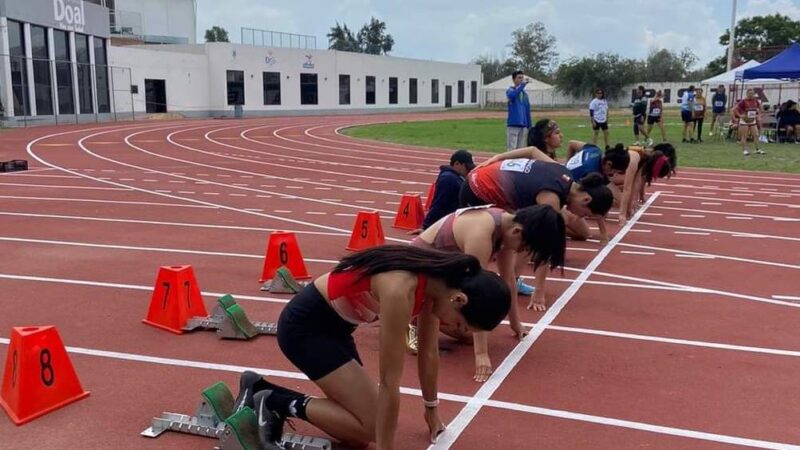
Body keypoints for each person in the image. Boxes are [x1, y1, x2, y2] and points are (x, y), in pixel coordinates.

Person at [235, 245, 511, 450]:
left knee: (359, 432)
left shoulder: (438, 289)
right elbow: (390, 381)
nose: (455, 331)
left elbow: (428, 353)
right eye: (462, 326)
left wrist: (431, 409)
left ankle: (261, 391)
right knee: (374, 428)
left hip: (338, 330)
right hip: (305, 329)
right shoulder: (400, 289)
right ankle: (271, 400)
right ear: (459, 300)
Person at [411, 204, 565, 382]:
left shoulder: (507, 226)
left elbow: (509, 280)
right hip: (421, 274)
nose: (520, 252)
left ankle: (426, 317)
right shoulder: (481, 234)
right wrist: (481, 355)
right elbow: (477, 291)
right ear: (517, 232)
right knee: (469, 326)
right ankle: (414, 319)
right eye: (523, 248)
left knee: (470, 331)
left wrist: (516, 324)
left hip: (446, 274)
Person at [464, 155, 613, 310]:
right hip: (477, 191)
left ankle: (511, 281)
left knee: (527, 233)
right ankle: (482, 288)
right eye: (586, 214)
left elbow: (532, 150)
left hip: (485, 180)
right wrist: (539, 292)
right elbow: (545, 247)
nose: (581, 217)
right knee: (518, 238)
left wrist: (496, 158)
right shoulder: (551, 199)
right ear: (586, 200)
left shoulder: (564, 174)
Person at [618, 143, 676, 226]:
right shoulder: (634, 158)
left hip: (613, 176)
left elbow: (636, 183)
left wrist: (631, 206)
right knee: (618, 201)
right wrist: (622, 215)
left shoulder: (642, 156)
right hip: (603, 176)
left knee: (625, 200)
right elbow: (627, 188)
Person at [419, 150, 476, 231]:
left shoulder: (456, 177)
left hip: (452, 221)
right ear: (457, 164)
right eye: (466, 166)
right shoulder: (448, 178)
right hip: (447, 223)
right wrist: (427, 226)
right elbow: (439, 203)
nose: (468, 170)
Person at [733, 88, 765, 156]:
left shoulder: (756, 101)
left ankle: (757, 149)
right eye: (749, 94)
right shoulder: (743, 101)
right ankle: (744, 150)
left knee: (756, 135)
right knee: (744, 136)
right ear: (747, 94)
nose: (751, 95)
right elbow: (735, 109)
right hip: (744, 121)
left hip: (752, 120)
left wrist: (759, 115)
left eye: (752, 94)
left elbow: (761, 108)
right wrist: (740, 116)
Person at [506, 70, 532, 150]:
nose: (521, 80)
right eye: (519, 78)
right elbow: (512, 95)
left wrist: (529, 126)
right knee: (512, 149)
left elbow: (527, 110)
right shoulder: (510, 90)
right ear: (514, 79)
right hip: (513, 124)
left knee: (520, 149)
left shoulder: (524, 95)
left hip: (523, 125)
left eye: (522, 78)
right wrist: (523, 85)